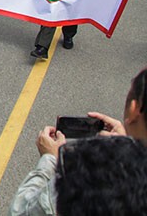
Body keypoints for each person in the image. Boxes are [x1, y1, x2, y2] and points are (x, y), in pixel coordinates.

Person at [10, 67, 147, 215]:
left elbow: (21, 212)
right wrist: (127, 143)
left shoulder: (100, 170)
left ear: (134, 110)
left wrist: (50, 159)